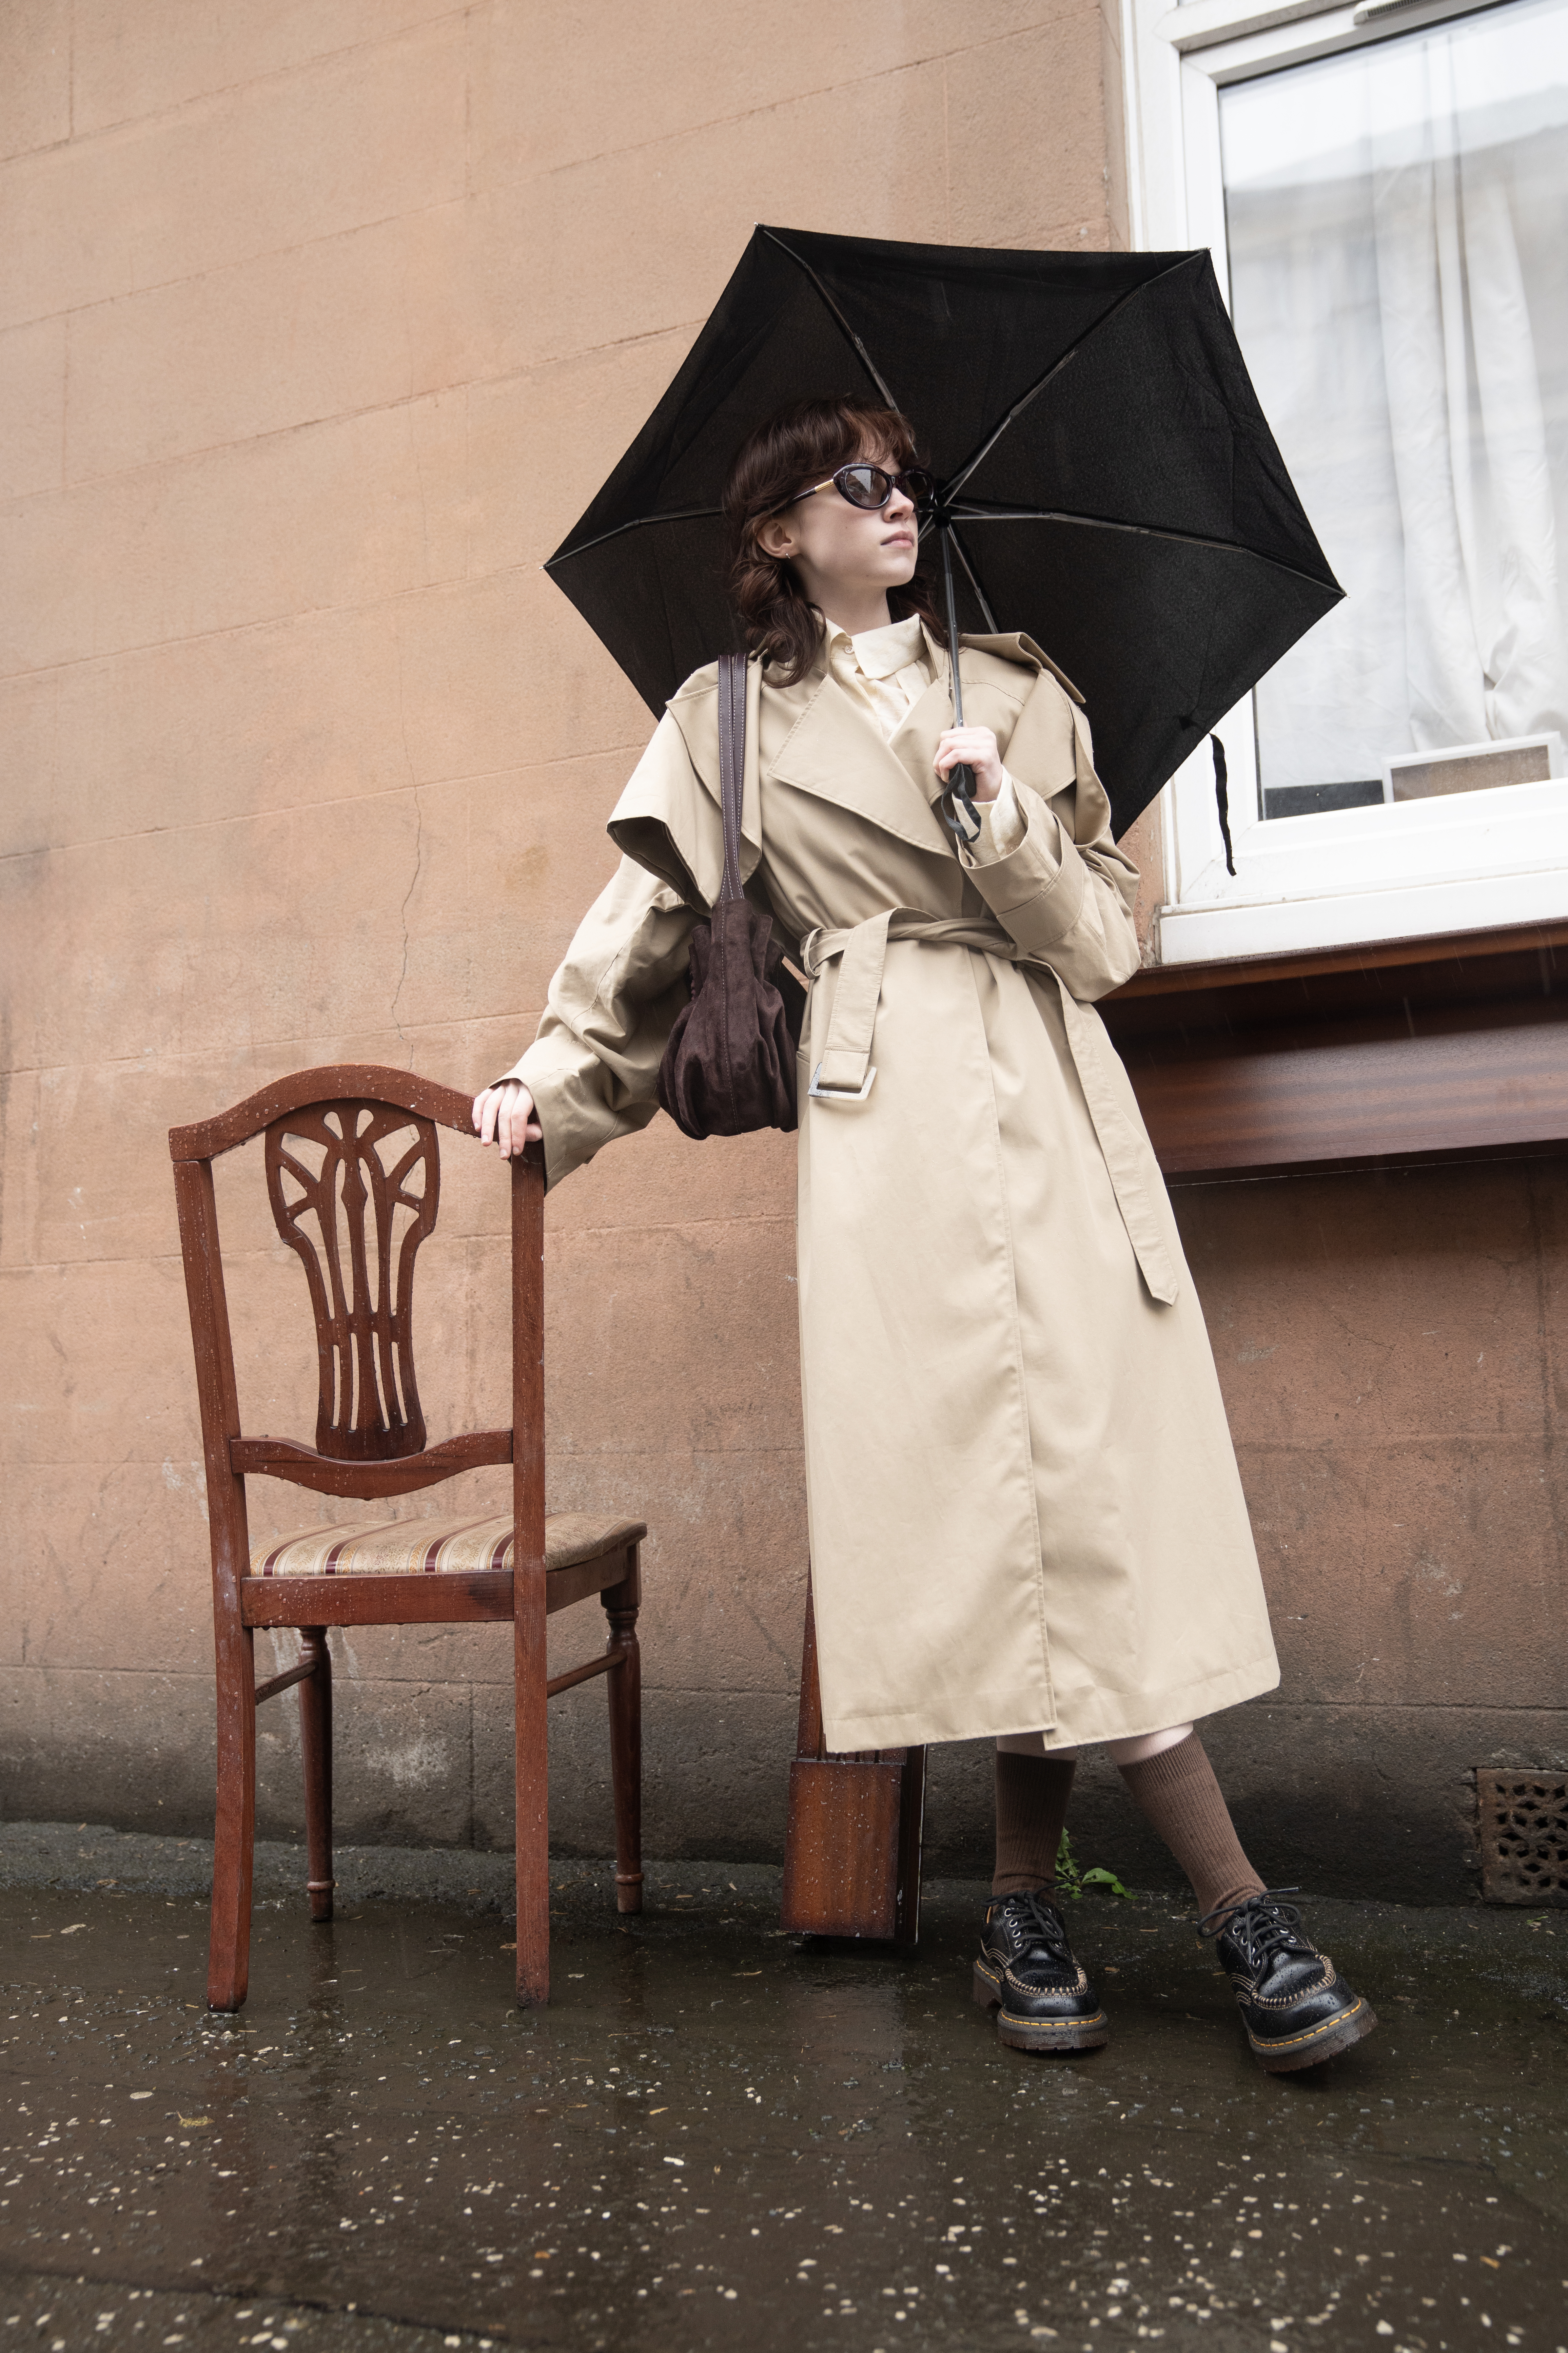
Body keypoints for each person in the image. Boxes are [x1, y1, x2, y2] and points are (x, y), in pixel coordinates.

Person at [475, 397, 1375, 2077]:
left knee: (1083, 1502)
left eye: (905, 482)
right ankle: (1173, 1911)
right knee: (993, 1514)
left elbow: (1108, 942)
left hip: (1052, 1101)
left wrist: (1001, 814)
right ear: (778, 534)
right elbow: (636, 953)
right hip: (890, 1128)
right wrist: (543, 1086)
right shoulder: (723, 722)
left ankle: (1120, 1907)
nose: (898, 505)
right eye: (858, 483)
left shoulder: (1025, 696)